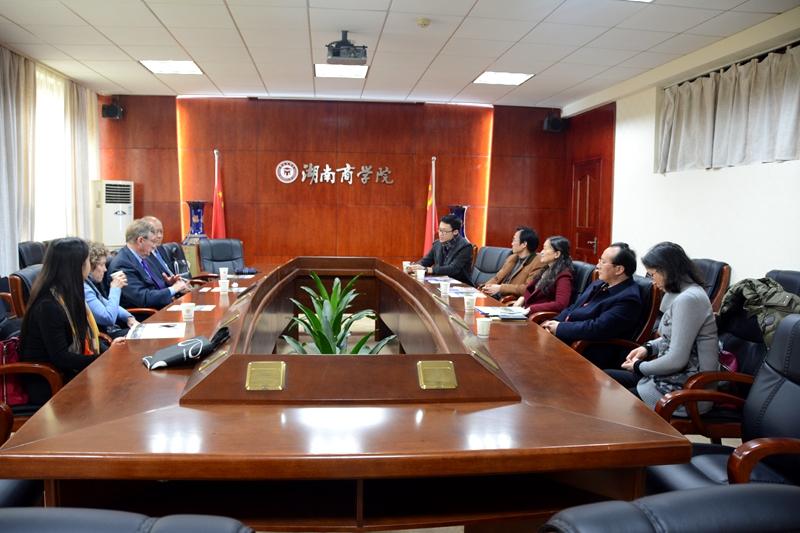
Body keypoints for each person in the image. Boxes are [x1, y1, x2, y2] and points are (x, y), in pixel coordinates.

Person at [607, 242, 719, 414]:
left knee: (614, 405)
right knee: (606, 380)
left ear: (667, 270)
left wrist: (639, 366)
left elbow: (677, 359)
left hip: (687, 391)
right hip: (669, 380)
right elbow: (674, 338)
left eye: (653, 274)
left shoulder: (689, 299)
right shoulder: (683, 293)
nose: (653, 281)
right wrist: (648, 348)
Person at [20, 238, 124, 405]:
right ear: (77, 266)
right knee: (118, 393)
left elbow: (84, 336)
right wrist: (102, 359)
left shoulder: (68, 293)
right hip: (49, 380)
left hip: (69, 371)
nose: (90, 265)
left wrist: (109, 351)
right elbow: (60, 357)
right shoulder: (48, 305)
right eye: (87, 261)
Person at [541, 242, 643, 368]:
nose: (597, 266)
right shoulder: (600, 283)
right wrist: (554, 322)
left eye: (603, 262)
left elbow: (597, 328)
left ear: (619, 270)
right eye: (600, 260)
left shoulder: (628, 299)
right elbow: (574, 307)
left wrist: (560, 328)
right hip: (568, 338)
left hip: (589, 350)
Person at [109, 219, 189, 309]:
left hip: (164, 306)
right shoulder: (122, 265)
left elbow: (155, 287)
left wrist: (169, 283)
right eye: (152, 241)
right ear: (140, 241)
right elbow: (143, 298)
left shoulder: (145, 257)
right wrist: (174, 288)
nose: (154, 246)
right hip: (147, 314)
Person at [84, 242, 138, 338]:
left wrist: (129, 317)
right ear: (90, 266)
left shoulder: (89, 282)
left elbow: (105, 302)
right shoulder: (85, 288)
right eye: (102, 265)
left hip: (113, 331)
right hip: (105, 337)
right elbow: (108, 318)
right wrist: (115, 289)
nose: (105, 269)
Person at [514, 236, 574, 316]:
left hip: (540, 317)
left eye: (545, 249)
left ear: (557, 254)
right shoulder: (546, 269)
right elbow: (530, 290)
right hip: (527, 312)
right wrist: (522, 298)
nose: (541, 252)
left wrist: (531, 308)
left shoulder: (564, 275)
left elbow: (561, 304)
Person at [409, 214, 473, 285]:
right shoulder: (437, 244)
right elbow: (426, 261)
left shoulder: (465, 247)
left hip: (460, 285)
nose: (440, 234)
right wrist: (415, 267)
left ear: (455, 232)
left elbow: (453, 269)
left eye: (444, 231)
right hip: (441, 282)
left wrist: (429, 269)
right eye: (440, 230)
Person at [480, 226, 543, 299]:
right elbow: (497, 278)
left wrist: (500, 288)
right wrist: (485, 287)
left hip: (509, 300)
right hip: (495, 295)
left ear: (524, 244)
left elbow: (527, 288)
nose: (512, 243)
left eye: (514, 240)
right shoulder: (512, 257)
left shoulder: (538, 262)